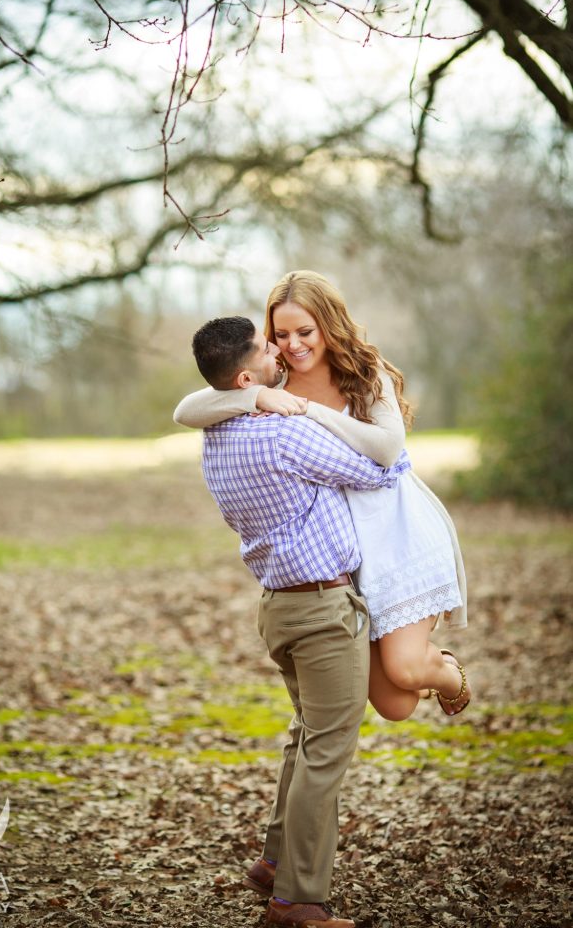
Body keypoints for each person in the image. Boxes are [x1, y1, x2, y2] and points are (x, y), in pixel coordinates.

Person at [183, 316, 411, 928]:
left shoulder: (217, 431)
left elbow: (195, 407)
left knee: (306, 736)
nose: (279, 348)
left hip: (280, 608)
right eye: (267, 346)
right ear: (245, 374)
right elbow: (382, 469)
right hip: (322, 612)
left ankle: (273, 863)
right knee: (326, 753)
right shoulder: (278, 433)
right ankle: (297, 901)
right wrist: (380, 396)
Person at [174, 271, 471, 722]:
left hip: (398, 533)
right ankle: (425, 667)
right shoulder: (274, 382)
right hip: (342, 557)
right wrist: (254, 396)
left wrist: (311, 411)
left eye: (305, 332)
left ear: (328, 326)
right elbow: (186, 411)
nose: (293, 345)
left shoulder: (365, 372)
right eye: (281, 334)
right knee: (395, 705)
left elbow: (388, 449)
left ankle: (448, 673)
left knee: (407, 669)